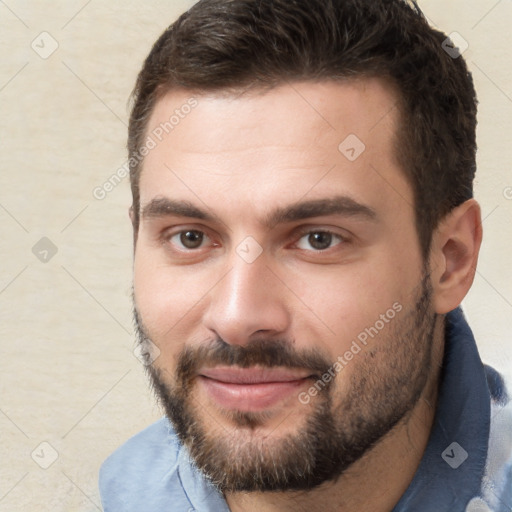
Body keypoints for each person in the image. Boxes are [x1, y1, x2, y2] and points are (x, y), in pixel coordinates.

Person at [99, 0, 512, 510]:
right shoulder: (121, 494)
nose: (237, 318)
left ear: (451, 259)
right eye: (190, 237)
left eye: (319, 239)